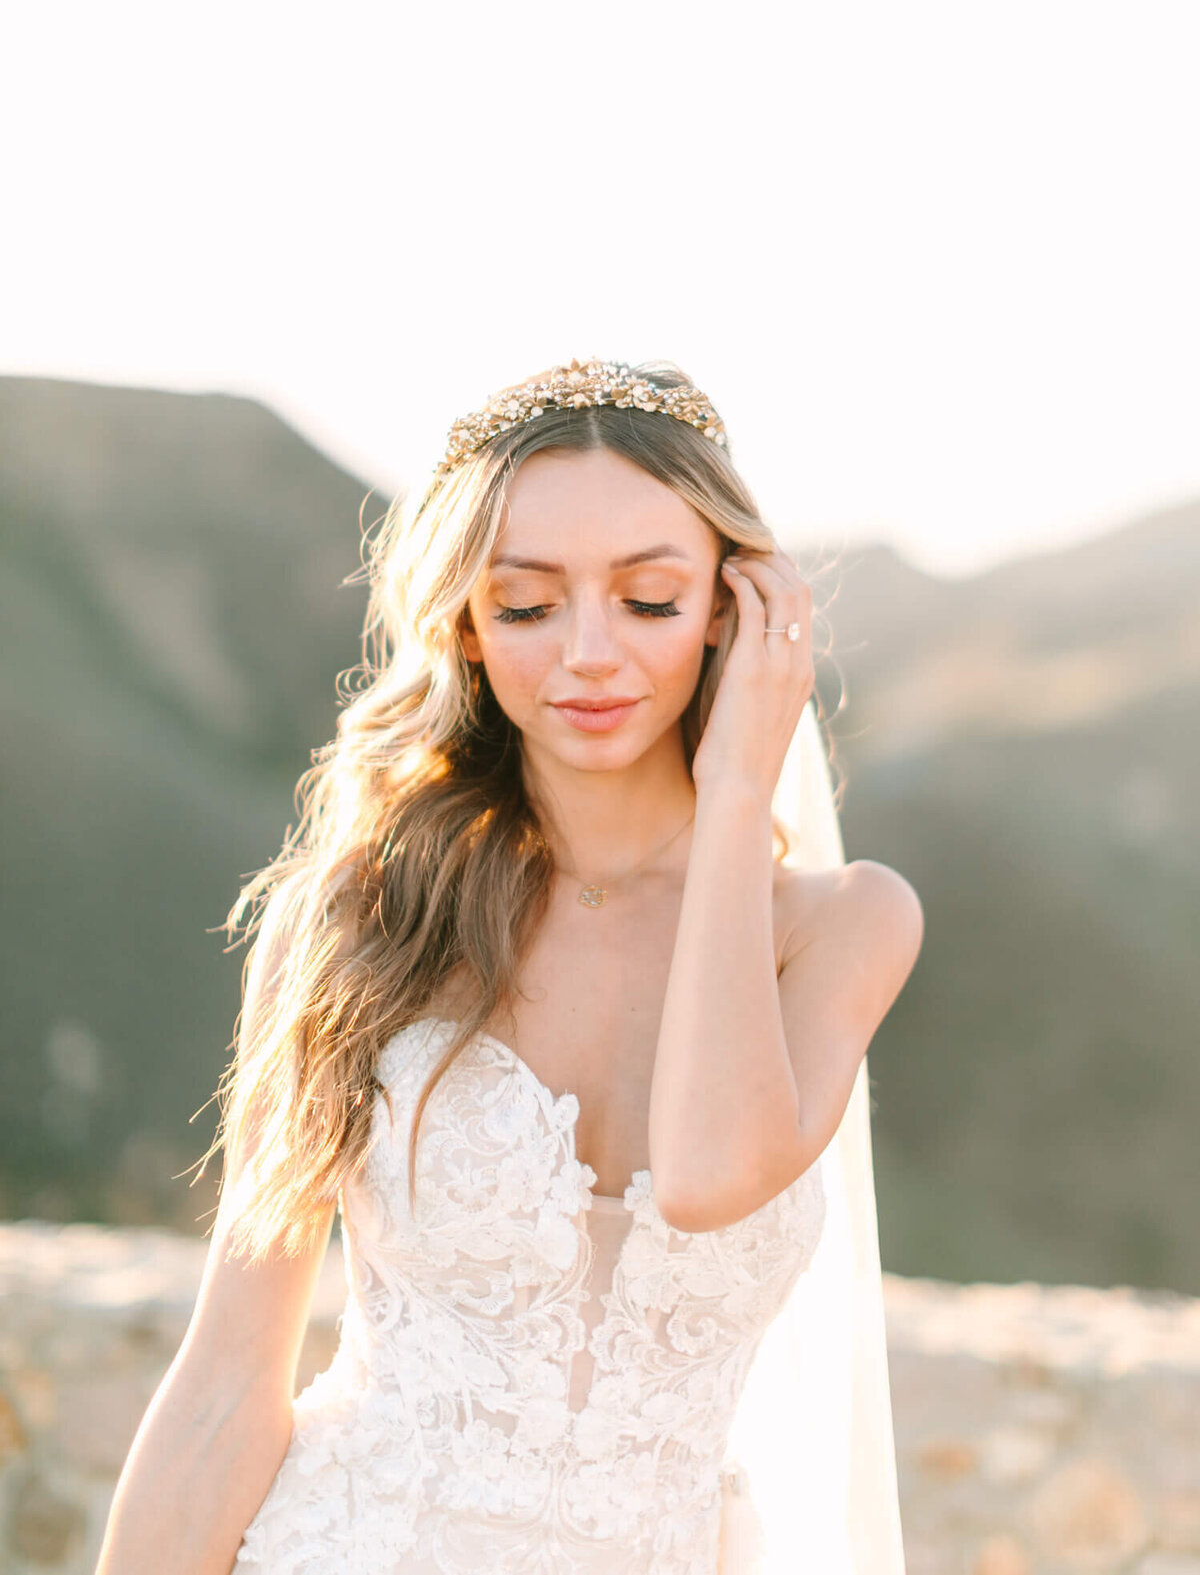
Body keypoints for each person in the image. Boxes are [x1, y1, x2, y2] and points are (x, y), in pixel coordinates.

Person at [97, 357, 923, 1574]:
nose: (590, 653)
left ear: (732, 613)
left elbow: (706, 1177)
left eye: (649, 599)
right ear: (468, 628)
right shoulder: (353, 922)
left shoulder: (841, 923)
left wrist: (737, 785)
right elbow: (228, 1379)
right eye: (529, 603)